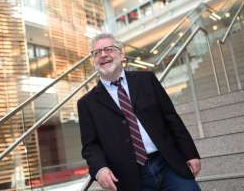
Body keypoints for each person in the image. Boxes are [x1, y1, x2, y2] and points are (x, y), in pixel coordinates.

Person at [77, 33, 201, 191]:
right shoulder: (86, 103)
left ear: (121, 54)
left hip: (168, 164)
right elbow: (90, 146)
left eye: (108, 49)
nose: (103, 55)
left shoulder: (147, 80)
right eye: (97, 52)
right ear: (92, 60)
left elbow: (171, 118)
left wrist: (190, 153)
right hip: (128, 177)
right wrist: (100, 169)